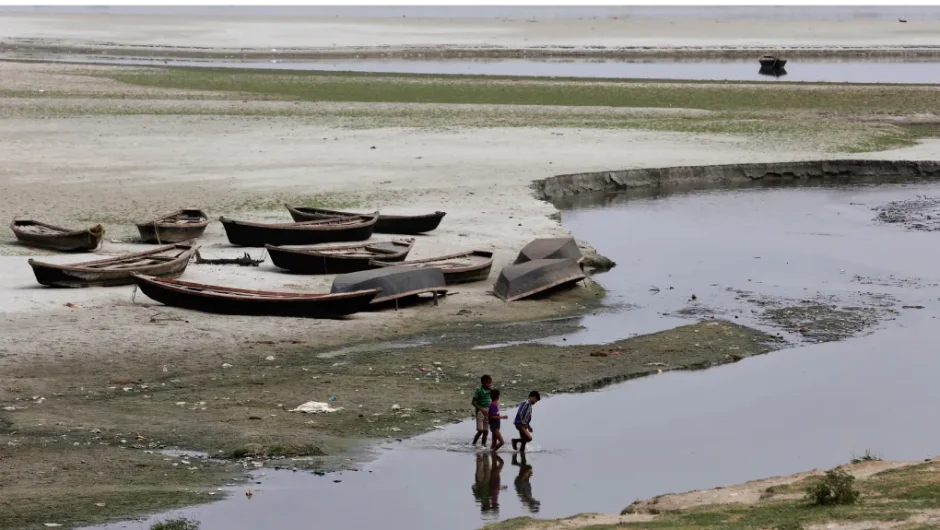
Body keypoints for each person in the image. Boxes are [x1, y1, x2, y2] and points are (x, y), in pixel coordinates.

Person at [471, 375, 493, 446]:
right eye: (487, 383)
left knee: (486, 431)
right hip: (480, 412)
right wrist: (481, 409)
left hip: (488, 411)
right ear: (483, 383)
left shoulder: (490, 391)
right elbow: (473, 402)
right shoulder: (479, 391)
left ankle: (483, 445)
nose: (489, 385)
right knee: (480, 431)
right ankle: (473, 444)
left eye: (490, 383)